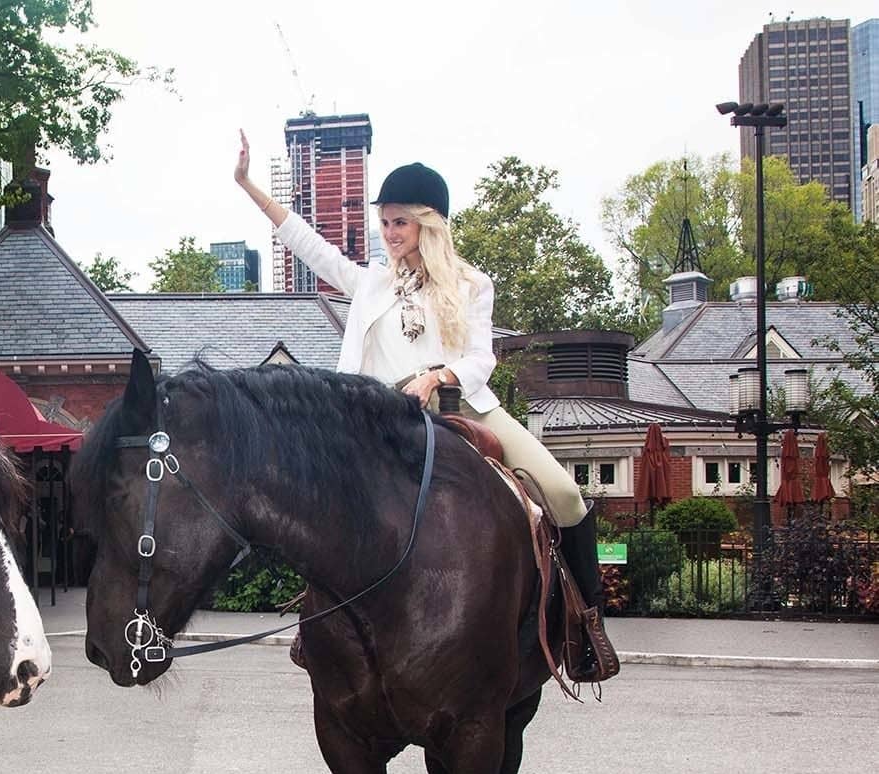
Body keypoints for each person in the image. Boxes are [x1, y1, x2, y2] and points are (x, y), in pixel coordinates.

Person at [233, 131, 614, 682]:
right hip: (378, 422)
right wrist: (249, 185)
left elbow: (482, 358)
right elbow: (307, 243)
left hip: (463, 407)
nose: (389, 234)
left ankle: (584, 628)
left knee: (564, 493)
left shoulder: (471, 284)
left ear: (428, 224)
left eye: (400, 223)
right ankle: (313, 626)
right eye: (384, 223)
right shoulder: (369, 284)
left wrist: (439, 375)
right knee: (321, 505)